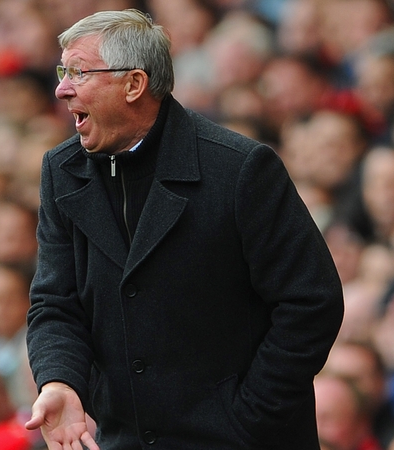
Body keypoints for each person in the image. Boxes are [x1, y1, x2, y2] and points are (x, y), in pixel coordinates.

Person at [24, 9, 344, 450]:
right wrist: (59, 379)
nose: (61, 89)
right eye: (63, 71)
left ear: (134, 84)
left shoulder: (239, 168)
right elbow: (55, 302)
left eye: (78, 72)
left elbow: (311, 303)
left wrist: (246, 415)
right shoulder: (61, 171)